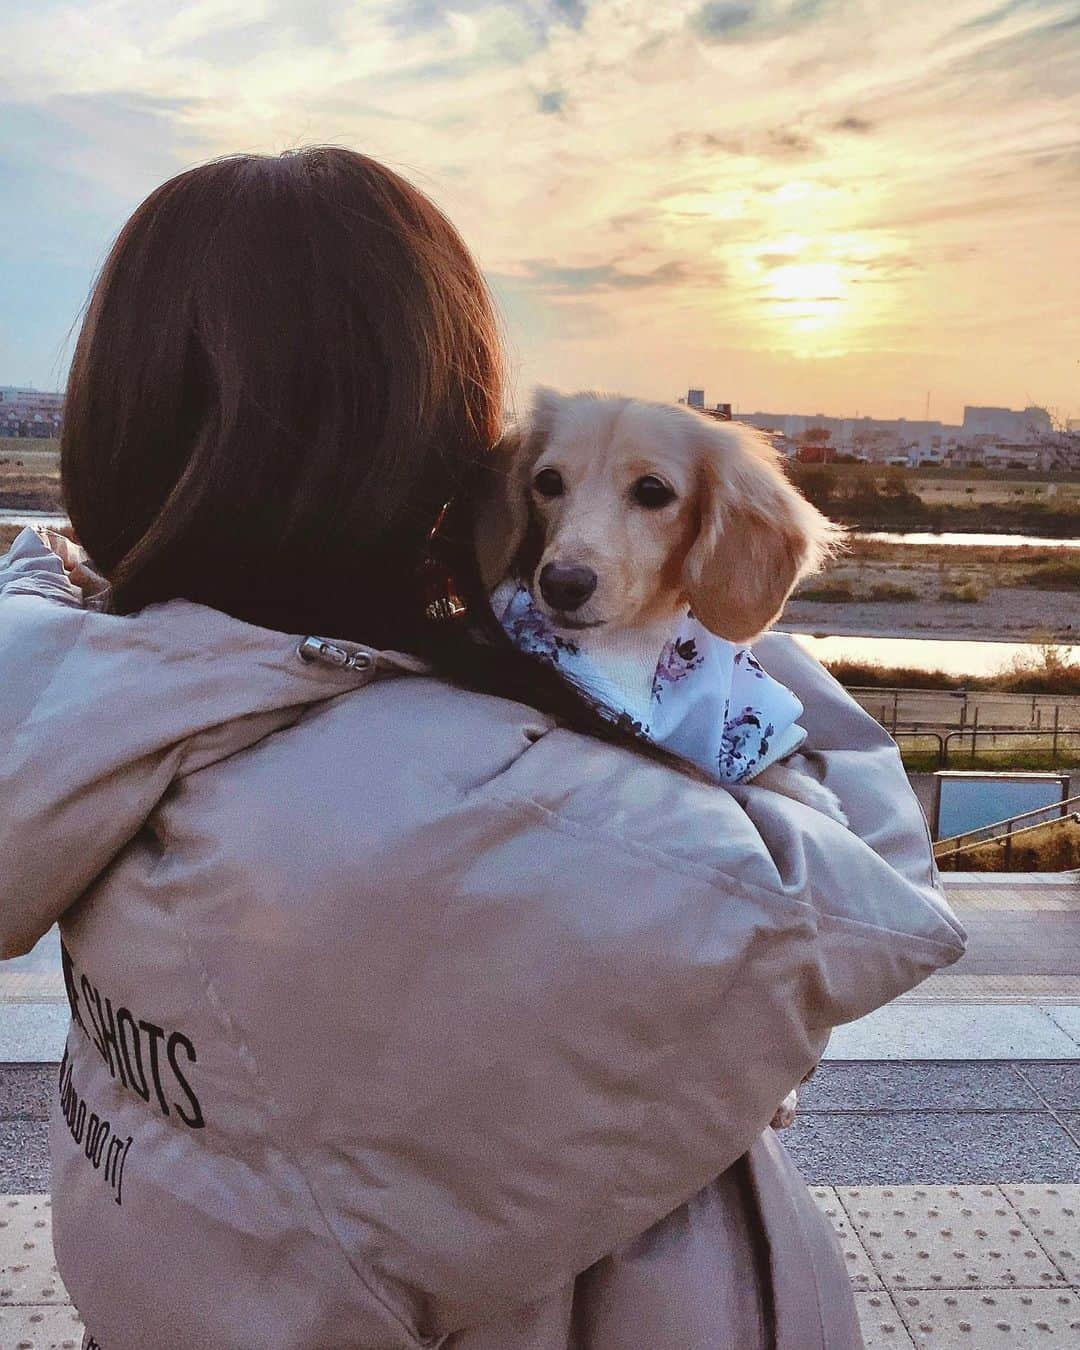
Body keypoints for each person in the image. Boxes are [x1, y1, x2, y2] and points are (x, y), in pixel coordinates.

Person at [0, 148, 964, 1350]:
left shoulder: (90, 717)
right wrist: (701, 637)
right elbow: (869, 903)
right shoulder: (514, 806)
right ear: (444, 439)